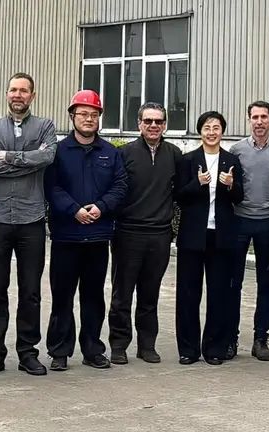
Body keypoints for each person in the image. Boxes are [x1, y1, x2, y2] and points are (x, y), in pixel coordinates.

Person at [0, 73, 58, 377]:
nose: (17, 95)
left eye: (23, 90)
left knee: (30, 290)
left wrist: (8, 156)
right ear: (6, 94)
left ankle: (27, 352)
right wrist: (28, 161)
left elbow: (48, 156)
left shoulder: (45, 126)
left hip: (31, 219)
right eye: (13, 90)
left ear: (32, 95)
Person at [43, 90, 128, 371]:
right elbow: (52, 187)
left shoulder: (110, 152)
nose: (89, 119)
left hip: (98, 236)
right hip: (67, 235)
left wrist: (101, 207)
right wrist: (73, 210)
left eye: (94, 114)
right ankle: (59, 351)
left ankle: (93, 349)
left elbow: (120, 187)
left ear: (99, 118)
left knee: (93, 298)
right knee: (62, 296)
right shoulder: (58, 151)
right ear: (72, 117)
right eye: (83, 113)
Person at [108, 102, 182, 365]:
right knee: (122, 293)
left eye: (159, 121)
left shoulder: (174, 155)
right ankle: (118, 345)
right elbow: (114, 190)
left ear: (165, 125)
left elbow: (182, 193)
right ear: (139, 124)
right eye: (148, 121)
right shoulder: (124, 154)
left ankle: (147, 345)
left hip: (159, 235)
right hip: (128, 233)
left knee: (150, 294)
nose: (154, 126)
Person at [175, 111, 243, 366]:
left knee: (219, 294)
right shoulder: (188, 160)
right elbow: (179, 196)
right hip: (193, 236)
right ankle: (188, 349)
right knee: (188, 293)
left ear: (222, 131)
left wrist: (230, 184)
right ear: (199, 131)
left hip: (221, 236)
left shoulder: (232, 160)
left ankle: (215, 347)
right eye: (206, 127)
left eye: (216, 127)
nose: (211, 132)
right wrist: (197, 183)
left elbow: (240, 197)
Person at [227, 101, 269, 361]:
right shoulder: (236, 150)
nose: (260, 122)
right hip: (239, 222)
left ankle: (261, 339)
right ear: (248, 119)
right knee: (233, 284)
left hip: (268, 225)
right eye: (255, 117)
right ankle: (231, 338)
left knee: (265, 284)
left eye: (264, 117)